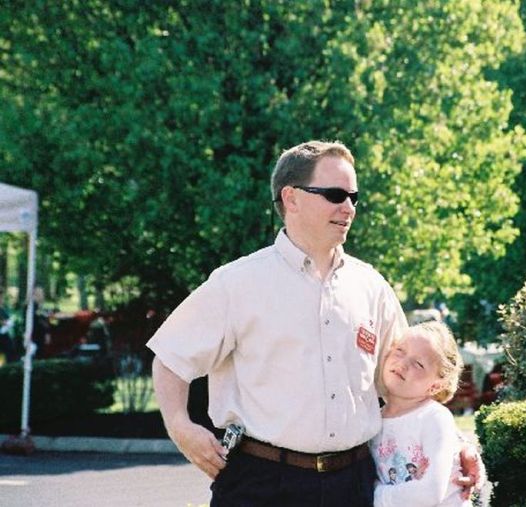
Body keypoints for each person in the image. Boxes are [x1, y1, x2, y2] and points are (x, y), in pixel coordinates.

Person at [147, 140, 481, 506]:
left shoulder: (371, 287)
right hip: (259, 484)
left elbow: (408, 384)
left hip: (354, 485)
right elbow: (170, 358)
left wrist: (456, 447)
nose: (348, 207)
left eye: (353, 197)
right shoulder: (236, 283)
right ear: (291, 198)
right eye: (335, 194)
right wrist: (180, 426)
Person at [370, 321, 473, 507]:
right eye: (399, 351)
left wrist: (371, 497)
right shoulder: (373, 419)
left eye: (418, 364)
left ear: (436, 386)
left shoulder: (434, 418)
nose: (403, 363)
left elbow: (430, 492)